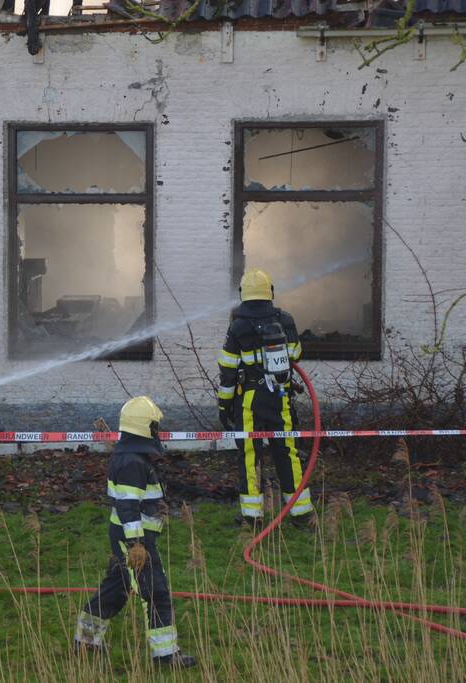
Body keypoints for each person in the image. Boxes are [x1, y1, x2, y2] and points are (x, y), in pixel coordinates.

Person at [73, 396, 196, 669]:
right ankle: (165, 655)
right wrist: (138, 544)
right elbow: (128, 506)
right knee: (155, 592)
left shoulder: (132, 457)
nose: (157, 431)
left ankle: (86, 640)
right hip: (134, 540)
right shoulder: (132, 462)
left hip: (127, 537)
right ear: (144, 427)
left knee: (117, 588)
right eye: (154, 426)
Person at [217, 268, 314, 526]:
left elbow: (228, 369)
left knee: (250, 455)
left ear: (243, 294)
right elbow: (295, 354)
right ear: (270, 292)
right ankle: (301, 513)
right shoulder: (286, 320)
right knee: (287, 451)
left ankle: (252, 517)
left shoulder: (237, 326)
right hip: (280, 396)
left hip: (249, 399)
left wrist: (224, 405)